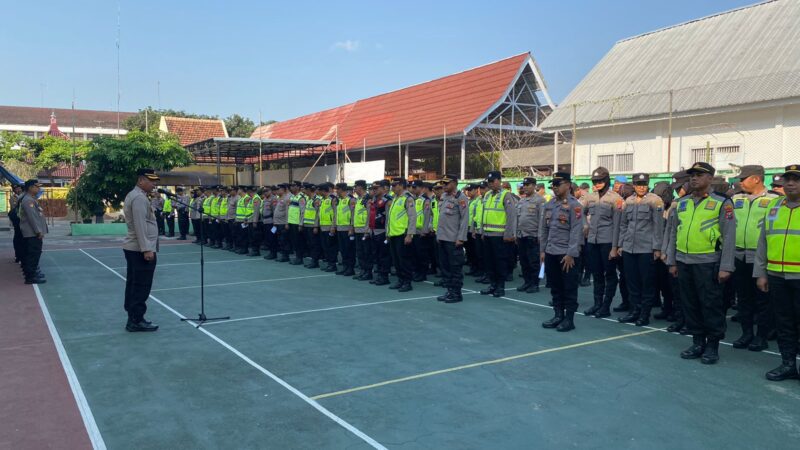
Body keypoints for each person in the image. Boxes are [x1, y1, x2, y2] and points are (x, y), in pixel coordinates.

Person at [667, 162, 735, 364]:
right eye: (692, 175)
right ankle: (697, 342)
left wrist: (726, 266)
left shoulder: (723, 202)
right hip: (684, 261)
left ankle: (712, 345)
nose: (694, 178)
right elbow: (673, 232)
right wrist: (671, 261)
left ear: (710, 178)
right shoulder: (682, 203)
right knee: (690, 304)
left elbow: (729, 236)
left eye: (699, 175)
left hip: (708, 263)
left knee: (710, 305)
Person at [754, 164, 800, 381]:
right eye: (787, 179)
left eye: (796, 179)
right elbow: (763, 241)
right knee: (784, 322)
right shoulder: (773, 206)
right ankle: (788, 364)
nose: (790, 183)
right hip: (777, 276)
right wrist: (761, 273)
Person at [730, 165, 778, 352]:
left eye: (744, 178)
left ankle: (761, 336)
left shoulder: (774, 200)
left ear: (757, 179)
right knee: (743, 298)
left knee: (763, 299)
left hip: (761, 257)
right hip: (739, 255)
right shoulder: (735, 199)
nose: (740, 182)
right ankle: (746, 333)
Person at [616, 173, 664, 326]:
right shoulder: (628, 201)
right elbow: (624, 225)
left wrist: (657, 248)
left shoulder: (655, 201)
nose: (641, 187)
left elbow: (658, 226)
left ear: (648, 184)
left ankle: (644, 314)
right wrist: (621, 244)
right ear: (634, 185)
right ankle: (634, 311)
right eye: (638, 184)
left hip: (646, 248)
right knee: (632, 282)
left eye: (644, 184)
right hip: (629, 248)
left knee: (647, 283)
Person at [539, 172, 583, 332]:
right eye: (553, 184)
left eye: (558, 184)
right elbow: (543, 228)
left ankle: (569, 319)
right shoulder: (549, 205)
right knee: (555, 286)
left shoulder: (575, 205)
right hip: (551, 252)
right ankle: (558, 315)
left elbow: (576, 231)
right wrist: (542, 250)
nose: (555, 187)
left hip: (566, 255)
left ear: (568, 184)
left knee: (569, 287)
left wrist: (571, 253)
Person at [122, 169, 161, 332]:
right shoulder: (138, 198)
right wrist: (146, 249)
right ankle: (136, 320)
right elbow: (140, 225)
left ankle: (134, 317)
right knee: (141, 285)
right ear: (141, 180)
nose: (154, 184)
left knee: (135, 284)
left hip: (135, 248)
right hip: (140, 250)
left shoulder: (137, 195)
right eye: (151, 181)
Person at [582, 167, 623, 317]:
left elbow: (618, 224)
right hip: (593, 241)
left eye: (600, 181)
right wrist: (585, 224)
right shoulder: (589, 197)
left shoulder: (616, 199)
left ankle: (606, 306)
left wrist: (614, 247)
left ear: (606, 181)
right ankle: (597, 303)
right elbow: (579, 211)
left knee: (610, 275)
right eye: (595, 181)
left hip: (608, 242)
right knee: (597, 274)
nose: (598, 184)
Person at [479, 171, 517, 297]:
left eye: (492, 181)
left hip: (500, 236)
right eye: (488, 182)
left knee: (499, 262)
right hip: (488, 235)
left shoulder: (506, 195)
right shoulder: (488, 195)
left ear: (498, 181)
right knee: (489, 262)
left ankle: (500, 287)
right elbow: (484, 213)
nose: (490, 184)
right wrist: (483, 231)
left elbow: (511, 216)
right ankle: (492, 284)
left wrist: (508, 233)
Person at [435, 174, 470, 303]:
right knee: (445, 267)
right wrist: (439, 235)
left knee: (455, 267)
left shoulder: (461, 198)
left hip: (454, 239)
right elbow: (442, 219)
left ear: (455, 183)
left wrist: (461, 238)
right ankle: (449, 291)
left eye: (447, 183)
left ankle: (456, 293)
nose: (444, 186)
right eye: (443, 183)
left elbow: (464, 219)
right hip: (443, 238)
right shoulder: (444, 197)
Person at [386, 178, 417, 292]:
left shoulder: (407, 198)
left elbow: (412, 217)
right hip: (394, 234)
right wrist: (388, 232)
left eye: (394, 185)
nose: (392, 188)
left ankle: (407, 282)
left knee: (404, 260)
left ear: (400, 185)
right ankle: (400, 280)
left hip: (402, 234)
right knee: (396, 260)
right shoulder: (395, 199)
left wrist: (409, 234)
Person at [516, 177, 545, 293]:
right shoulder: (521, 201)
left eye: (528, 185)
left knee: (533, 261)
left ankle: (534, 284)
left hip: (532, 235)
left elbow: (542, 220)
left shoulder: (540, 200)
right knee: (523, 261)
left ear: (534, 186)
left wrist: (540, 236)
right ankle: (527, 282)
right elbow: (518, 219)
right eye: (524, 185)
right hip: (521, 235)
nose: (525, 187)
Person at [18, 179, 48, 284]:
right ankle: (30, 277)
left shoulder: (31, 198)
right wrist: (38, 231)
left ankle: (33, 273)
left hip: (32, 232)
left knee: (34, 253)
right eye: (36, 186)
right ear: (30, 187)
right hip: (32, 233)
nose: (38, 188)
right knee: (33, 254)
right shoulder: (28, 200)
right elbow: (32, 217)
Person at [369, 180, 392, 286]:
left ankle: (384, 276)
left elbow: (388, 217)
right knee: (376, 255)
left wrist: (387, 232)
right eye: (373, 188)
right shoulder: (373, 200)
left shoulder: (387, 200)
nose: (374, 190)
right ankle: (379, 275)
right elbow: (370, 216)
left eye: (376, 188)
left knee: (384, 256)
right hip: (374, 230)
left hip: (382, 231)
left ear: (383, 189)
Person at [410, 180, 433, 282]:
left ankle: (422, 273)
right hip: (414, 230)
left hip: (421, 232)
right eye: (412, 187)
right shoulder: (414, 199)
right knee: (414, 253)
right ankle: (417, 272)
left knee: (421, 254)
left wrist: (424, 230)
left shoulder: (425, 200)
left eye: (415, 187)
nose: (413, 189)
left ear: (421, 188)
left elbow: (427, 216)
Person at [352, 180, 372, 279]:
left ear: (360, 187)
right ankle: (362, 271)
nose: (354, 189)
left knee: (366, 252)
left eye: (355, 187)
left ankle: (368, 272)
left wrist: (367, 230)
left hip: (364, 230)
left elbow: (369, 215)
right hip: (357, 229)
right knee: (360, 252)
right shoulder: (358, 199)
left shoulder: (367, 199)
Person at [302, 183, 322, 268]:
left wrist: (315, 226)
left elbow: (318, 214)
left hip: (312, 226)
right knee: (310, 244)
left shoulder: (316, 199)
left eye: (305, 189)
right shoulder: (308, 199)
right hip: (307, 225)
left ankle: (315, 261)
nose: (304, 191)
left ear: (309, 190)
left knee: (314, 244)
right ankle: (313, 260)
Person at [8, 183, 24, 264]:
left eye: (19, 188)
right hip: (17, 220)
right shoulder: (12, 198)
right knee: (17, 237)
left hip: (23, 220)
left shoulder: (24, 196)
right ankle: (17, 255)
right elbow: (14, 207)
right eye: (15, 189)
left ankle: (22, 255)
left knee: (22, 238)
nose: (18, 190)